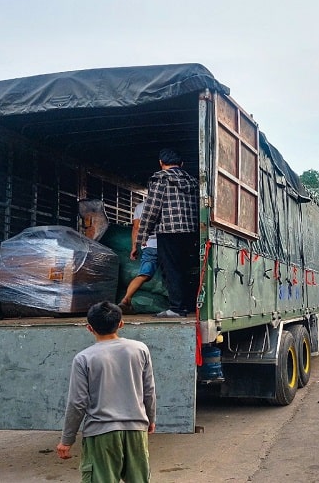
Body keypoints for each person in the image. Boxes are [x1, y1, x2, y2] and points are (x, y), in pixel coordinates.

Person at [57, 301, 156, 482]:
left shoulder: (84, 358)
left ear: (89, 328)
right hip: (136, 429)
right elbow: (149, 390)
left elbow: (77, 402)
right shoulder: (140, 349)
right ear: (121, 324)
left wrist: (67, 439)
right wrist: (150, 419)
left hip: (101, 433)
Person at [137, 148, 199, 318]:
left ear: (160, 163)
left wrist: (142, 236)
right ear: (182, 164)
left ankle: (176, 309)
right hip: (191, 232)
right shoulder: (193, 182)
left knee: (171, 269)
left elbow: (151, 210)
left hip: (169, 231)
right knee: (184, 269)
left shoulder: (160, 179)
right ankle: (185, 306)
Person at [118, 201, 158, 314]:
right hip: (165, 244)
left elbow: (136, 228)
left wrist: (134, 247)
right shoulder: (165, 203)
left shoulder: (140, 207)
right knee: (172, 274)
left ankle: (126, 298)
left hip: (148, 245)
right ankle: (176, 307)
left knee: (144, 274)